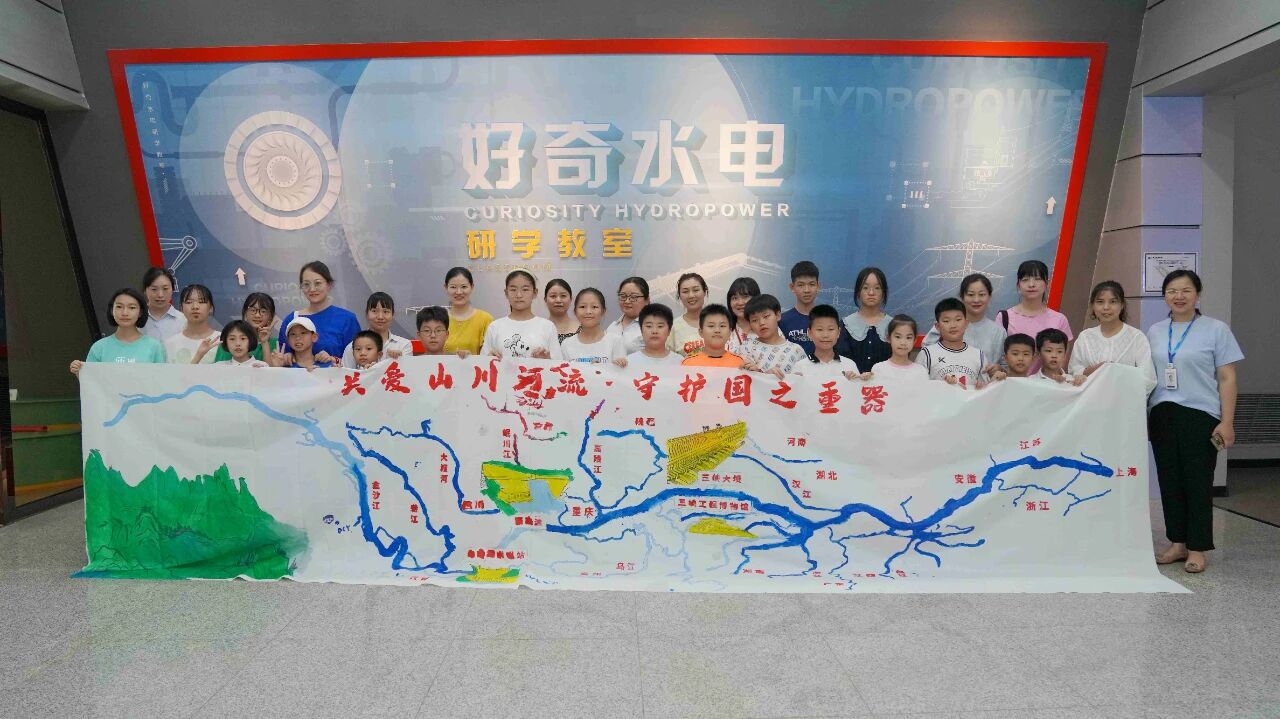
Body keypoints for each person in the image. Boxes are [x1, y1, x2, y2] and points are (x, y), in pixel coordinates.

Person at [1148, 269, 1243, 574]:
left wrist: (1227, 421)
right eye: (1172, 291)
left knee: (1198, 483)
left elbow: (1227, 378)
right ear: (1165, 296)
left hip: (1200, 415)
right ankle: (1177, 542)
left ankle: (1197, 548)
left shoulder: (1216, 329)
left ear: (1197, 294)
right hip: (1162, 413)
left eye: (1186, 290)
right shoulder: (1155, 331)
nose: (1179, 296)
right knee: (1169, 481)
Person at [1069, 281, 1157, 394]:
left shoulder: (1136, 337)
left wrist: (1117, 379)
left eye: (1113, 302)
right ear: (1093, 306)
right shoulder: (1085, 337)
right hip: (1089, 400)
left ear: (1122, 305)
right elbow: (1073, 370)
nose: (1106, 307)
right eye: (1100, 302)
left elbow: (1148, 379)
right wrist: (1088, 371)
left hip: (1124, 401)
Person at [997, 260, 1072, 374]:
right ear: (1018, 285)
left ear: (1047, 283)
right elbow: (998, 357)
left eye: (1037, 279)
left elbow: (1062, 361)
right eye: (1025, 280)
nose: (1031, 284)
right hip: (1012, 382)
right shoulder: (1004, 318)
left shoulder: (1059, 320)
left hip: (1046, 383)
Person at [277, 260, 359, 363]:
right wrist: (286, 357)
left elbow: (357, 361)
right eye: (306, 284)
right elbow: (281, 358)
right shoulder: (292, 319)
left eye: (318, 283)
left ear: (329, 284)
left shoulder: (347, 319)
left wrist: (333, 360)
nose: (312, 289)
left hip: (335, 374)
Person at [69, 288, 166, 375]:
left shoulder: (154, 347)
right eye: (119, 307)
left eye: (132, 307)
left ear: (140, 312)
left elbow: (160, 382)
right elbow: (92, 384)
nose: (125, 313)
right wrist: (79, 372)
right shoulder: (99, 348)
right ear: (112, 310)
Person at [923, 273, 1006, 374]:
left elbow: (1006, 365)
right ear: (962, 297)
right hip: (948, 381)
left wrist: (999, 369)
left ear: (989, 296)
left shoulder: (999, 332)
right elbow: (927, 352)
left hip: (987, 383)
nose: (976, 300)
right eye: (971, 295)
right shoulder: (947, 325)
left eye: (982, 294)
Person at [482, 270, 565, 360]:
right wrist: (488, 359)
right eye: (513, 290)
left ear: (535, 293)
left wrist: (547, 359)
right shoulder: (495, 327)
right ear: (506, 293)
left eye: (525, 289)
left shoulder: (548, 326)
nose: (519, 295)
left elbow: (558, 363)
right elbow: (481, 363)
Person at [916, 297, 987, 388]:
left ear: (966, 323)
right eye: (946, 321)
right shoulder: (927, 354)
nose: (953, 325)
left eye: (958, 320)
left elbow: (987, 390)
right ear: (937, 326)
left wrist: (982, 387)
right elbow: (918, 388)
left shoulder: (979, 356)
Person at [740, 294, 809, 377]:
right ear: (750, 324)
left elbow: (805, 380)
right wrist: (762, 374)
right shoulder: (747, 347)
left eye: (766, 316)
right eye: (754, 320)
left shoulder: (796, 350)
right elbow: (742, 378)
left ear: (778, 315)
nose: (761, 323)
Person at [341, 292, 411, 369]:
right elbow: (346, 374)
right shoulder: (352, 347)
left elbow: (407, 373)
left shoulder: (404, 345)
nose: (380, 317)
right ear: (367, 314)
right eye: (374, 311)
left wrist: (400, 360)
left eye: (385, 311)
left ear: (393, 315)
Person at [844, 267, 892, 373]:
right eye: (865, 288)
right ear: (858, 292)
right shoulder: (845, 325)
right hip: (852, 382)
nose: (871, 293)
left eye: (877, 288)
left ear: (884, 293)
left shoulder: (893, 326)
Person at [561, 288, 623, 363]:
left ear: (603, 311)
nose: (588, 312)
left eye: (594, 307)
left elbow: (621, 370)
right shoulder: (566, 345)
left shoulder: (615, 341)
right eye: (582, 307)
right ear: (575, 311)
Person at [215, 293, 279, 365]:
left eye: (263, 311)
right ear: (245, 312)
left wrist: (264, 343)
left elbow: (268, 371)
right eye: (253, 310)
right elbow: (218, 370)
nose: (257, 315)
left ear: (271, 316)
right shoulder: (229, 341)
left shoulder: (276, 344)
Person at [163, 284, 220, 364]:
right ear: (181, 308)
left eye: (201, 302)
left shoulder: (222, 340)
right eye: (189, 302)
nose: (195, 307)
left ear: (211, 308)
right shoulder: (170, 344)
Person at [442, 266, 493, 355]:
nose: (458, 292)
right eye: (453, 287)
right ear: (446, 287)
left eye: (464, 287)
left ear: (472, 287)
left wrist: (470, 358)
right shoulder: (439, 319)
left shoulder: (485, 319)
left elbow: (487, 356)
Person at [802, 304, 860, 379]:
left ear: (838, 332)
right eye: (820, 329)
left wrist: (850, 381)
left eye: (831, 329)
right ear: (809, 333)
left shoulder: (849, 365)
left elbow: (857, 386)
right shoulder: (801, 367)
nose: (825, 335)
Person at [870, 315, 928, 382]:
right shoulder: (878, 369)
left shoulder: (921, 371)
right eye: (898, 337)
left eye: (908, 338)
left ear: (914, 340)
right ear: (888, 338)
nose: (903, 343)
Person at [682, 304, 743, 368]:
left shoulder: (740, 363)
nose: (717, 330)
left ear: (730, 332)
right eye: (711, 326)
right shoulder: (687, 364)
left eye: (722, 326)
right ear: (701, 332)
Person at [627, 303, 682, 367]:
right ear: (641, 330)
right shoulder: (629, 361)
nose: (654, 331)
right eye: (649, 326)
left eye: (660, 326)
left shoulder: (680, 362)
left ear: (669, 331)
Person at [667, 272, 708, 357]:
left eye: (696, 290)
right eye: (685, 291)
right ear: (679, 296)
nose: (691, 295)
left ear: (704, 292)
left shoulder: (720, 321)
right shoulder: (673, 328)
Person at [605, 276, 649, 355]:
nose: (627, 301)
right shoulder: (612, 327)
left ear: (647, 300)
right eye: (623, 296)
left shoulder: (651, 328)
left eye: (633, 297)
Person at [140, 266, 184, 341]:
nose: (160, 295)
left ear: (173, 290)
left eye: (165, 289)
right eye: (154, 289)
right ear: (145, 291)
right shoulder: (136, 319)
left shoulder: (183, 320)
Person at [200, 320, 267, 367]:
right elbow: (195, 378)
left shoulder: (262, 366)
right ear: (225, 342)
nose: (238, 343)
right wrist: (200, 354)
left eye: (243, 338)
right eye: (232, 339)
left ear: (251, 340)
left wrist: (260, 375)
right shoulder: (219, 366)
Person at [725, 276, 761, 355]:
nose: (740, 302)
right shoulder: (723, 330)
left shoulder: (768, 327)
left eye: (745, 297)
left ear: (756, 299)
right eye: (735, 298)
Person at [544, 279, 579, 343]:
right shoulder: (539, 329)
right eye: (553, 296)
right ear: (545, 300)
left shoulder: (584, 329)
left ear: (571, 299)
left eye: (563, 296)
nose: (558, 300)